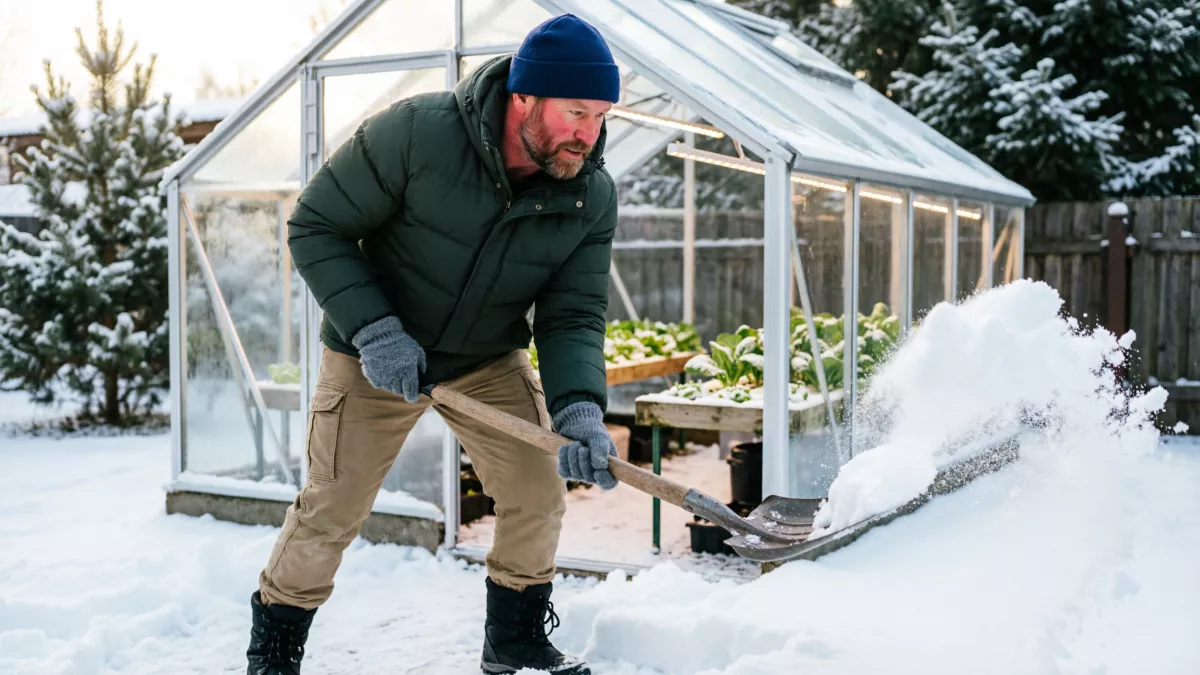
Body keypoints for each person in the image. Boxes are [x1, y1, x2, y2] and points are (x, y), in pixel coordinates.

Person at [244, 13, 622, 675]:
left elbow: (572, 315)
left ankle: (516, 641)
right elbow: (315, 226)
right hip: (375, 349)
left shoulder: (588, 195)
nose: (588, 135)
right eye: (575, 112)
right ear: (524, 98)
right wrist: (376, 330)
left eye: (599, 116)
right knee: (332, 503)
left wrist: (580, 410)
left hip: (484, 357)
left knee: (537, 490)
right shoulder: (418, 134)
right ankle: (275, 649)